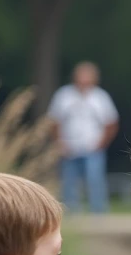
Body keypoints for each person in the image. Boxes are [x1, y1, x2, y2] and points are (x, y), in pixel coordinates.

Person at [47, 61, 119, 214]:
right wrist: (59, 142)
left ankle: (97, 211)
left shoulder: (100, 98)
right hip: (69, 147)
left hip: (92, 147)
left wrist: (101, 143)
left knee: (95, 180)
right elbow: (54, 121)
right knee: (69, 182)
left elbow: (111, 122)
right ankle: (71, 211)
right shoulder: (64, 96)